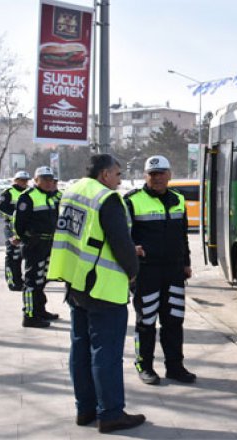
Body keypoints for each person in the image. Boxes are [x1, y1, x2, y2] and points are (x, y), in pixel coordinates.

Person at [47, 154, 145, 433]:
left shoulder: (72, 191)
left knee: (80, 349)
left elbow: (87, 235)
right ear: (104, 174)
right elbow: (119, 242)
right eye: (118, 174)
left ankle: (85, 409)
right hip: (103, 286)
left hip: (76, 281)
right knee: (106, 353)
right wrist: (133, 270)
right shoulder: (107, 198)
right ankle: (110, 414)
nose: (120, 180)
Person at [123, 155, 195, 385]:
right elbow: (124, 237)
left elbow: (183, 235)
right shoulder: (132, 200)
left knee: (174, 321)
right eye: (152, 174)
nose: (157, 178)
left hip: (174, 271)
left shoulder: (178, 199)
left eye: (161, 173)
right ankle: (144, 366)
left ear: (169, 174)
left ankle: (175, 367)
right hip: (146, 272)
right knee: (146, 322)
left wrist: (186, 263)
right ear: (145, 176)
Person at [14, 167, 60, 328]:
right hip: (35, 245)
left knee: (42, 280)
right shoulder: (28, 197)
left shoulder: (53, 196)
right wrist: (27, 239)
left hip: (49, 244)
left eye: (50, 179)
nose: (48, 183)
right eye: (44, 179)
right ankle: (29, 315)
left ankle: (40, 310)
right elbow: (19, 223)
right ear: (36, 180)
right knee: (32, 281)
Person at [0, 171, 31, 291]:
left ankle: (22, 281)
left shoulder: (29, 192)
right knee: (13, 254)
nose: (24, 182)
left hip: (25, 228)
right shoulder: (8, 193)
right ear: (16, 180)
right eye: (21, 180)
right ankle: (13, 281)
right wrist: (15, 217)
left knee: (24, 255)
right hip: (11, 228)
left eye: (26, 180)